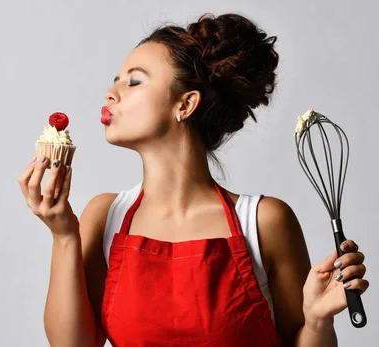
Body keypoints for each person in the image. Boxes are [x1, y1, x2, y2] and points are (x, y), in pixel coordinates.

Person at [18, 12, 369, 347]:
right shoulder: (104, 216)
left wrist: (317, 319)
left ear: (185, 105)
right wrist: (63, 235)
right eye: (115, 81)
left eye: (134, 81)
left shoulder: (263, 222)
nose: (111, 93)